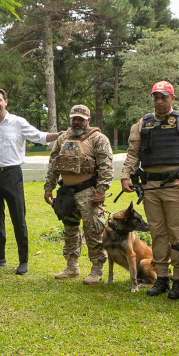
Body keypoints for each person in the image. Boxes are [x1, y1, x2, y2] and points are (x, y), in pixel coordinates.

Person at [120, 81, 179, 299]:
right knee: (157, 233)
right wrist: (125, 175)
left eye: (164, 97)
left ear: (172, 98)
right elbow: (133, 153)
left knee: (177, 234)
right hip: (150, 187)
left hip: (175, 186)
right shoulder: (142, 124)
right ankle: (161, 278)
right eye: (156, 97)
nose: (159, 101)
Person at [0, 88, 60, 275]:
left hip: (12, 175)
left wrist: (60, 134)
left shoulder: (18, 123)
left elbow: (40, 137)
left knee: (18, 218)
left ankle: (23, 261)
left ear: (6, 102)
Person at [43, 105, 113, 283]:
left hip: (88, 191)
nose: (77, 122)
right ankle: (72, 266)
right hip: (67, 192)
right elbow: (53, 164)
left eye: (81, 119)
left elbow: (106, 166)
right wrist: (48, 187)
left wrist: (101, 191)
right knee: (69, 229)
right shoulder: (62, 139)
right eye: (74, 118)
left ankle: (96, 270)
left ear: (88, 120)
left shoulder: (98, 139)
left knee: (93, 231)